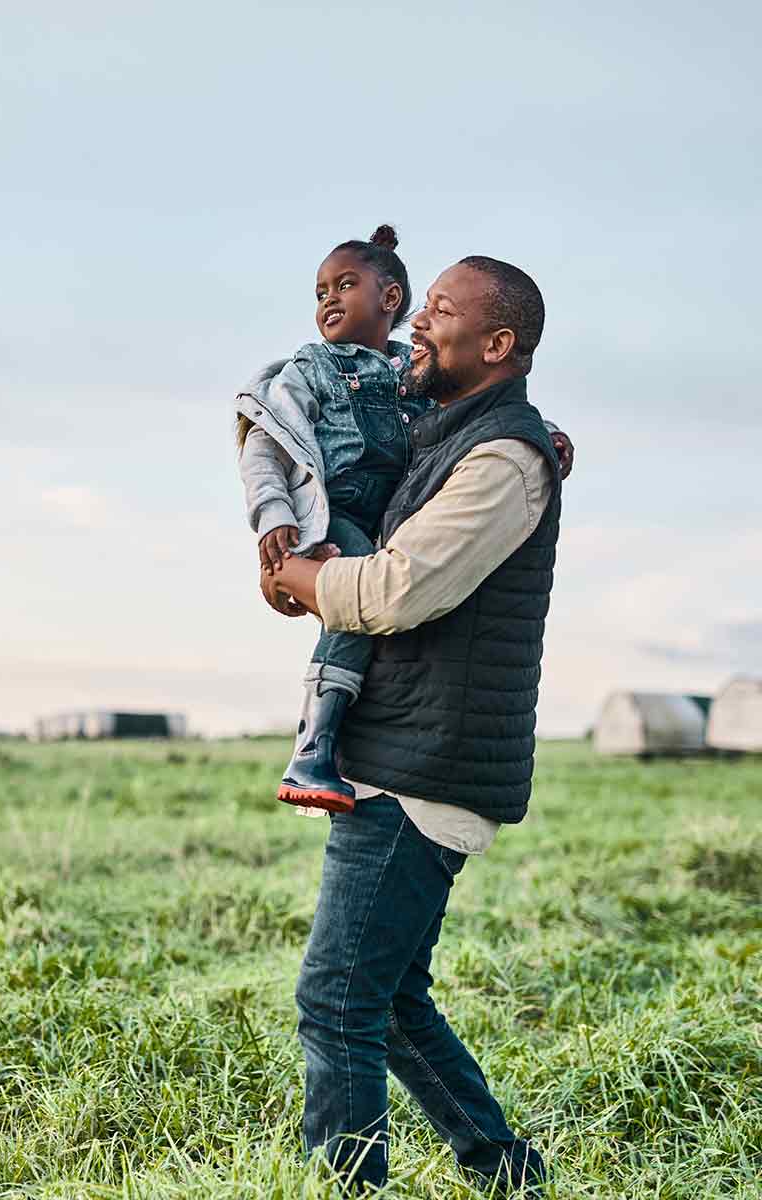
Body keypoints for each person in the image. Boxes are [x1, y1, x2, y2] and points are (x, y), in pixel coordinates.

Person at [260, 256, 563, 1194]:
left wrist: (299, 579)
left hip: (421, 772)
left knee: (337, 1000)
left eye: (438, 311)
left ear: (498, 345)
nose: (417, 325)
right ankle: (509, 1173)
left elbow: (394, 590)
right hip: (405, 752)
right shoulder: (452, 432)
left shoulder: (504, 458)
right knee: (385, 1004)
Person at [235, 231, 572, 813]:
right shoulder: (309, 369)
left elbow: (391, 591)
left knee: (356, 611)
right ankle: (316, 743)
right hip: (338, 514)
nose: (328, 302)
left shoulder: (455, 412)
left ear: (388, 297)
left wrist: (547, 431)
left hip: (422, 770)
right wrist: (275, 521)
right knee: (348, 616)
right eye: (321, 292)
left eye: (345, 286)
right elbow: (266, 446)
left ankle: (315, 744)